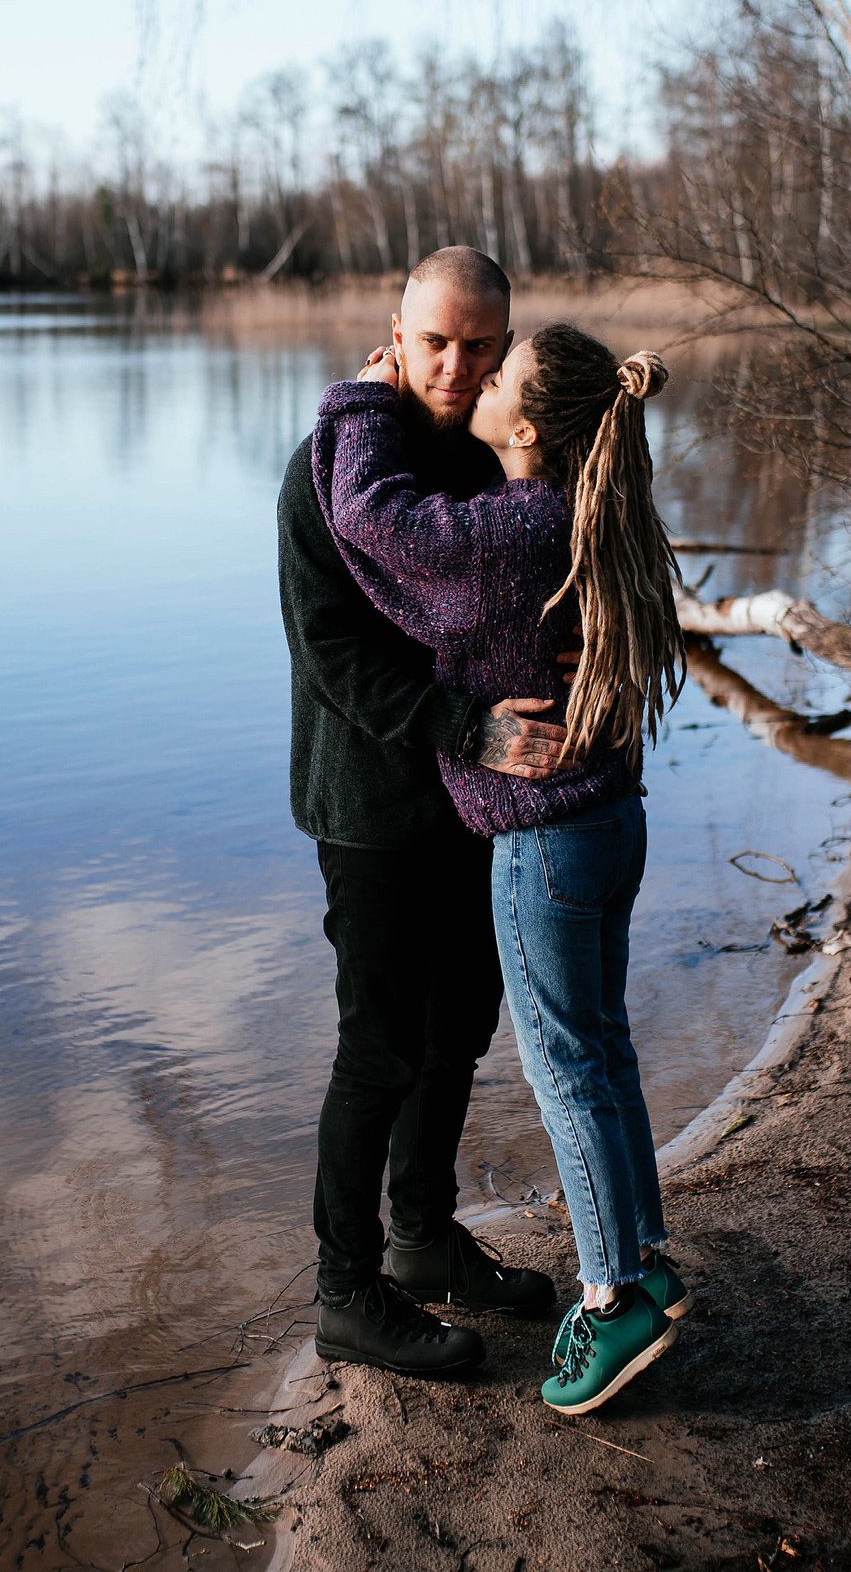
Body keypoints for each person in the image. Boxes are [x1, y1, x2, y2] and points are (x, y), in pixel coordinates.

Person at [310, 319, 692, 1415]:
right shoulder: (589, 508)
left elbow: (364, 520)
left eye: (499, 368)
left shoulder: (508, 527)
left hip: (545, 839)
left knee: (565, 1071)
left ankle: (614, 1295)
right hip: (610, 821)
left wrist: (357, 401)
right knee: (605, 1056)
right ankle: (645, 1257)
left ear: (524, 425)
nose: (475, 374)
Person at [277, 247, 564, 1380]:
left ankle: (421, 1242)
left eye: (478, 345)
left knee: (458, 1031)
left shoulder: (488, 455)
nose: (454, 365)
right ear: (394, 336)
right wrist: (464, 726)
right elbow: (332, 651)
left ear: (503, 343)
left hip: (467, 804)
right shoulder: (332, 471)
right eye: (434, 341)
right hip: (372, 801)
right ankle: (344, 1294)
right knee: (379, 1050)